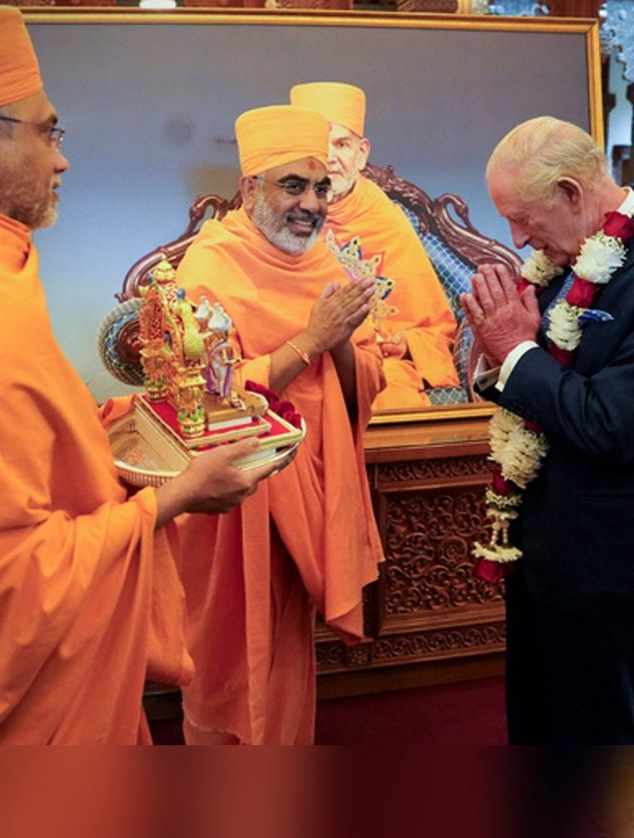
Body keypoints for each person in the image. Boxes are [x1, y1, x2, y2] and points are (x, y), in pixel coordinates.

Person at [0, 6, 279, 745]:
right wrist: (175, 497)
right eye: (48, 132)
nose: (60, 159)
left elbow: (14, 446)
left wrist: (105, 426)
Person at [173, 104, 385, 744]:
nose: (311, 204)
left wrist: (341, 342)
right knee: (228, 656)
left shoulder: (328, 262)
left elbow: (364, 380)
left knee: (287, 655)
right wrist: (312, 338)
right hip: (230, 498)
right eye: (293, 185)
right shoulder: (211, 265)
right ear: (250, 190)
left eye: (321, 187)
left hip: (308, 489)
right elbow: (207, 399)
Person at [459, 115, 634, 744]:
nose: (517, 237)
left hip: (612, 576)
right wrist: (496, 360)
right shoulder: (568, 262)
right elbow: (537, 370)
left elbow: (610, 423)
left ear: (569, 192)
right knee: (541, 725)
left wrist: (516, 354)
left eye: (524, 217)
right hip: (546, 561)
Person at [290, 82, 460, 409]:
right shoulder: (280, 213)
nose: (330, 156)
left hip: (376, 361)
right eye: (318, 144)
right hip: (303, 356)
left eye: (342, 144)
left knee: (390, 388)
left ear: (361, 153)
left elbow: (431, 325)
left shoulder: (385, 219)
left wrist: (405, 342)